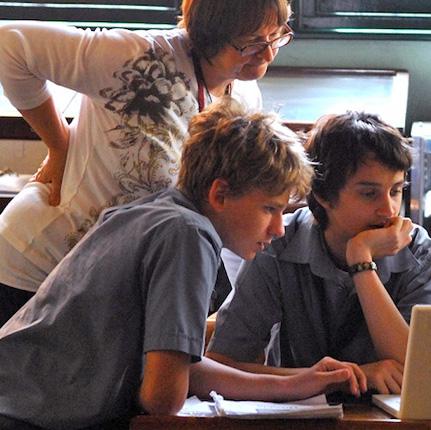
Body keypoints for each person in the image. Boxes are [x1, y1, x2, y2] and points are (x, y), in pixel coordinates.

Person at [0, 98, 366, 430]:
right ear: (219, 194)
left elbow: (179, 368)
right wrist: (290, 385)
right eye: (269, 209)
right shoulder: (188, 235)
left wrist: (295, 383)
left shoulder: (153, 212)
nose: (278, 228)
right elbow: (163, 397)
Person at [0, 0, 294, 324]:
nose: (267, 55)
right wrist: (59, 143)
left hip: (105, 285)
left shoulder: (244, 97)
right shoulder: (137, 57)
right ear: (208, 36)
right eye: (251, 44)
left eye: (276, 36)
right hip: (35, 267)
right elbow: (10, 45)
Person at [206, 111, 431, 395]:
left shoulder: (423, 253)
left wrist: (361, 260)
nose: (389, 210)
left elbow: (415, 370)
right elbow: (223, 364)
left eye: (395, 191)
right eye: (369, 194)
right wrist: (340, 378)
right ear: (322, 194)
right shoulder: (277, 244)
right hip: (299, 416)